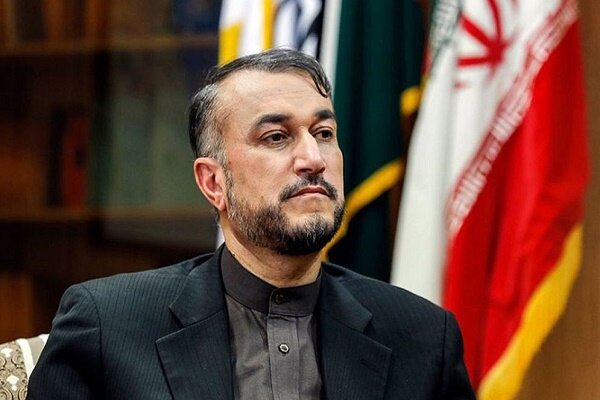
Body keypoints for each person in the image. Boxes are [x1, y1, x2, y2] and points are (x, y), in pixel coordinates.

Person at [28, 48, 475, 399]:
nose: (313, 159)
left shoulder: (422, 337)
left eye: (324, 134)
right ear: (214, 182)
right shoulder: (108, 326)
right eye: (276, 137)